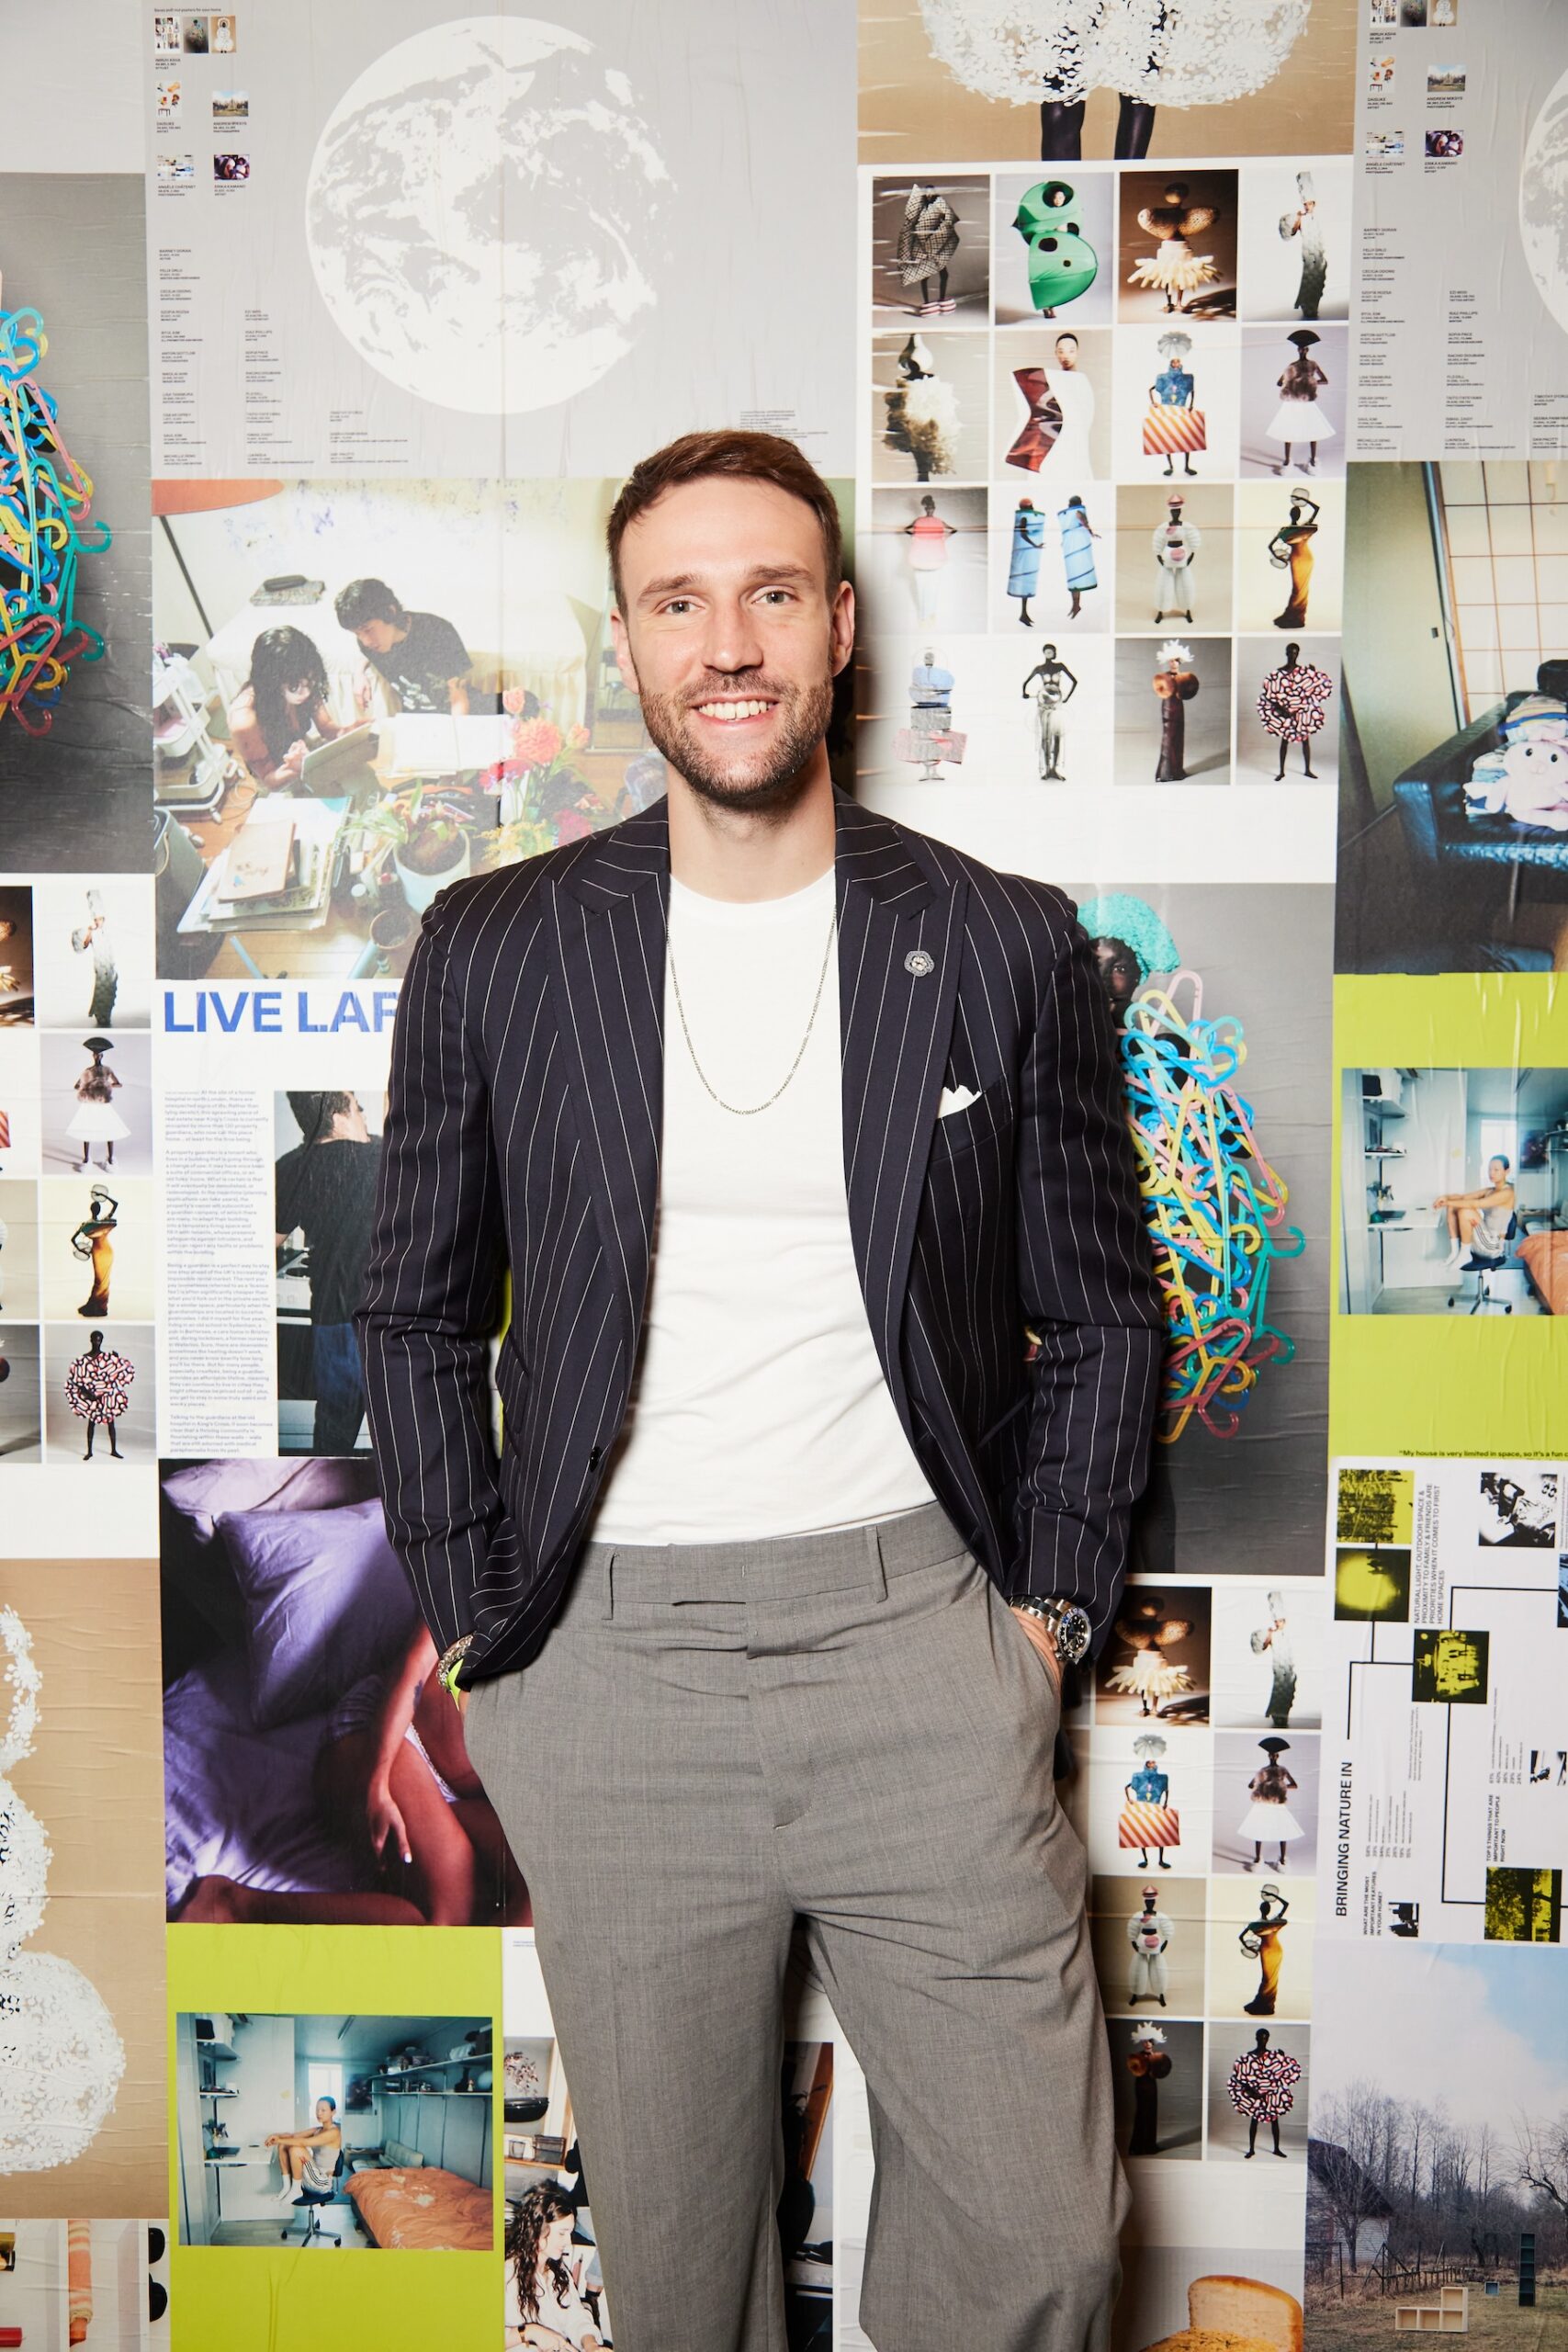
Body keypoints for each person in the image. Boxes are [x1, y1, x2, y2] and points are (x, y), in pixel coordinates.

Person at [357, 427, 1162, 2352]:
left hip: (918, 1647)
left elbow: (1101, 1314)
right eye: (679, 601)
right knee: (681, 2277)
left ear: (839, 628)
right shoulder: (496, 943)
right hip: (606, 1668)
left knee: (1042, 2239)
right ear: (629, 643)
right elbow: (411, 1308)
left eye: (771, 593)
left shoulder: (998, 937)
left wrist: (1044, 1622)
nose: (727, 643)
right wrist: (481, 1630)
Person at [275, 1092, 382, 1454]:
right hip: (394, 1318)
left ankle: (327, 1481)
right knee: (405, 1430)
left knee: (334, 1432)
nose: (364, 1116)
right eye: (358, 1108)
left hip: (335, 1318)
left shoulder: (293, 1166)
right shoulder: (388, 1155)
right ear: (338, 1119)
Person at [226, 625, 343, 792]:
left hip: (303, 753)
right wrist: (295, 768)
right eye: (295, 686)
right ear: (273, 681)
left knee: (359, 777)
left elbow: (326, 727)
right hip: (277, 776)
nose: (306, 692)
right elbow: (269, 780)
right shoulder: (244, 719)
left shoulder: (304, 677)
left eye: (310, 682)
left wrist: (347, 733)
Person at [333, 578, 472, 716]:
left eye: (368, 630)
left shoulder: (437, 630)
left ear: (390, 612)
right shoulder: (369, 645)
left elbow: (458, 696)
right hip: (413, 720)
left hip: (458, 715)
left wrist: (455, 729)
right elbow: (365, 657)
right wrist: (359, 674)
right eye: (357, 634)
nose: (366, 642)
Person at [505, 2181, 612, 2349]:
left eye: (570, 2233)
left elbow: (576, 2317)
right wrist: (530, 2332)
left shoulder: (558, 2272)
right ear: (538, 2230)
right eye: (562, 2233)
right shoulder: (507, 2274)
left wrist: (591, 2345)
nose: (568, 2241)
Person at [1434, 1155, 1515, 1270]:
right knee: (1453, 1206)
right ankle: (1455, 1252)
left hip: (1493, 1246)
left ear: (1507, 1171)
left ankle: (1465, 1255)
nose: (1491, 1173)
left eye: (1496, 1170)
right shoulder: (1489, 1191)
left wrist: (1447, 1202)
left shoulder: (1507, 1193)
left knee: (1465, 1211)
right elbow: (1463, 1197)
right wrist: (1445, 1198)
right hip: (1481, 1241)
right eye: (1489, 1169)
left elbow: (1476, 1204)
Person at [65, 1328, 134, 1460]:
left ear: (102, 1341)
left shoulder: (106, 1358)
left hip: (106, 1396)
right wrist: (86, 1393)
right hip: (91, 1396)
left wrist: (116, 1361)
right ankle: (89, 1451)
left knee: (111, 1422)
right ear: (90, 1340)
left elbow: (115, 1374)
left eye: (99, 1340)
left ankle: (114, 1450)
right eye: (95, 1340)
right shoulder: (84, 1359)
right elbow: (77, 1379)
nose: (97, 1343)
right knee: (91, 1423)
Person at [264, 2095, 342, 2204]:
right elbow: (292, 2136)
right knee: (283, 2145)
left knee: (296, 2149)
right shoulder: (318, 2130)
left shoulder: (334, 2132)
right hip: (310, 2178)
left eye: (323, 2110)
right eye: (317, 2110)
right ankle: (287, 2187)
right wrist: (275, 2135)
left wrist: (279, 2140)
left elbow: (303, 2142)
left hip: (321, 2183)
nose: (319, 2113)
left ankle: (296, 2191)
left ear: (333, 2112)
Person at [67, 1035, 129, 1170]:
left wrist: (106, 1085)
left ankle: (110, 1158)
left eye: (99, 1055)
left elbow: (118, 1084)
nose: (97, 1057)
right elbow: (77, 1086)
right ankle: (86, 1158)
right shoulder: (88, 1071)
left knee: (110, 1129)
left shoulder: (107, 1070)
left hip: (103, 1102)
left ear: (102, 1056)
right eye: (95, 1055)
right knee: (86, 1130)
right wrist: (88, 1086)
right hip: (90, 1103)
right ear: (93, 1056)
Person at [1021, 640, 1077, 780]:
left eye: (1051, 652)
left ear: (1054, 653)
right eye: (1046, 652)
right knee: (1045, 736)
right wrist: (1025, 694)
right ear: (1044, 653)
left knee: (1057, 736)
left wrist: (1066, 698)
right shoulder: (1039, 668)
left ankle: (1054, 769)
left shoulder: (1060, 666)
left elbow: (1074, 681)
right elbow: (1025, 683)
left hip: (1057, 705)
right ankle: (1047, 768)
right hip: (1043, 705)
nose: (1049, 654)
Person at [900, 492, 957, 621]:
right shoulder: (919, 521)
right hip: (921, 558)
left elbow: (953, 530)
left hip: (933, 558)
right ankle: (923, 617)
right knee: (922, 588)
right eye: (928, 508)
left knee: (932, 588)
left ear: (934, 508)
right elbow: (906, 529)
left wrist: (942, 538)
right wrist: (916, 537)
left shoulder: (938, 522)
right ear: (926, 508)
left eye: (931, 508)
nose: (930, 510)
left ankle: (930, 615)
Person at [1267, 492, 1319, 628]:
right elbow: (1316, 509)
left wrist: (1278, 556)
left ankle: (1296, 617)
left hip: (1299, 558)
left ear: (1292, 515)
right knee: (1299, 589)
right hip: (1304, 558)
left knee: (1301, 589)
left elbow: (1270, 546)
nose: (1295, 515)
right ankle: (1294, 616)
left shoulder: (1286, 530)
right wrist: (1304, 500)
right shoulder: (1303, 528)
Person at [1240, 1883, 1290, 2016]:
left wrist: (1248, 1947)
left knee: (1269, 1978)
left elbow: (1241, 1937)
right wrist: (1274, 1896)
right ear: (1268, 1910)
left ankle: (1266, 2005)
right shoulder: (1274, 1922)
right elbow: (1286, 1904)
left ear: (1261, 1909)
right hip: (1275, 1949)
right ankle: (1265, 2004)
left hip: (1267, 1950)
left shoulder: (1255, 1924)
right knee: (1269, 1978)